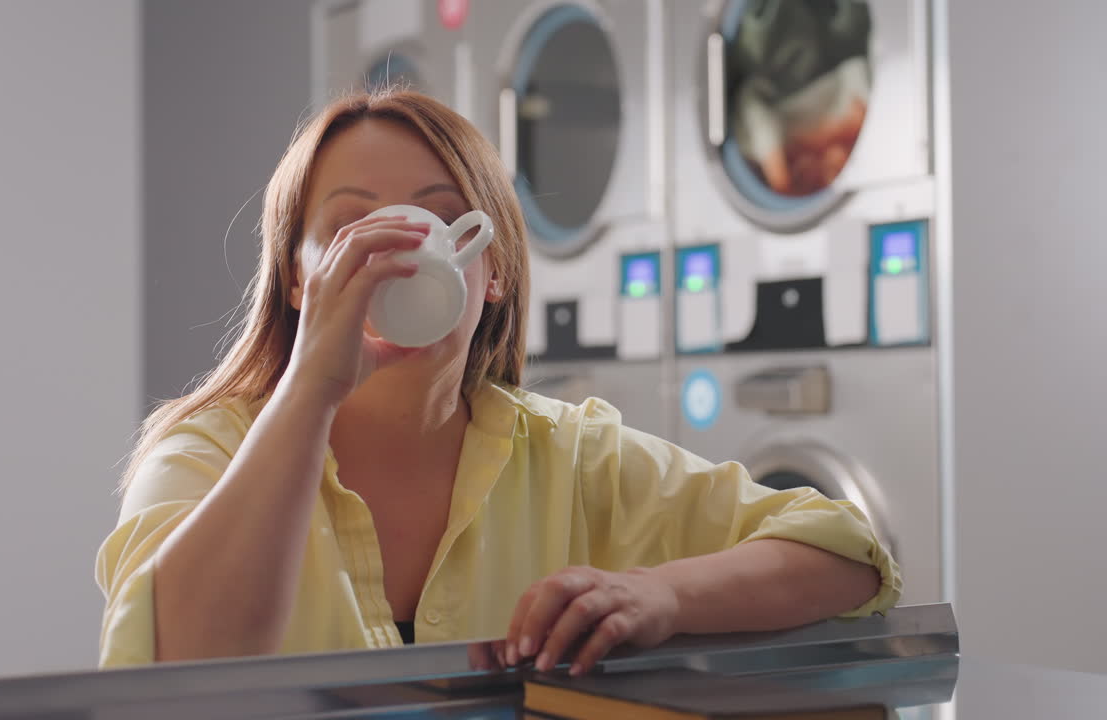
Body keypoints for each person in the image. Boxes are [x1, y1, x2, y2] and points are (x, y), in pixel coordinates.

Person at [96, 88, 899, 675]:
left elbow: (848, 552)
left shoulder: (570, 457)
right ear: (297, 281)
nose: (397, 251)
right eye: (348, 229)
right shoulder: (203, 453)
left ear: (492, 274)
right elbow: (183, 670)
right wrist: (313, 383)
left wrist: (660, 597)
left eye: (441, 217)